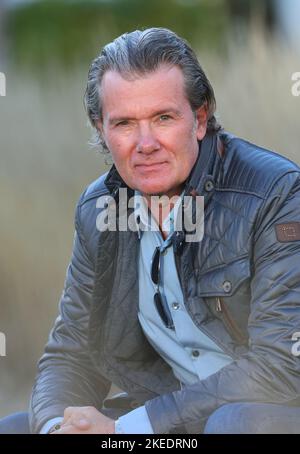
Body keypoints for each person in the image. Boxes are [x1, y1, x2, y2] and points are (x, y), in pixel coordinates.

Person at [1, 27, 300, 434]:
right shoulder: (99, 210)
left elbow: (281, 365)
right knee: (19, 428)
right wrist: (58, 426)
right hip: (168, 426)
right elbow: (72, 353)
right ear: (100, 129)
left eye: (163, 118)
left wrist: (132, 428)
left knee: (235, 423)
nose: (145, 143)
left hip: (264, 413)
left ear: (199, 119)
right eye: (124, 123)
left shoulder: (276, 193)